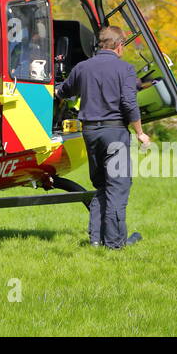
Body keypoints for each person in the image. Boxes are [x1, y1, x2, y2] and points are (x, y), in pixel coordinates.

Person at [53, 24, 151, 248]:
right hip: (114, 132)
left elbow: (63, 91)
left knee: (102, 185)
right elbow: (128, 103)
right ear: (118, 45)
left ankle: (96, 239)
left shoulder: (82, 67)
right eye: (124, 46)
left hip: (90, 133)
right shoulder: (125, 69)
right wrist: (140, 132)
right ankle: (115, 243)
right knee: (118, 185)